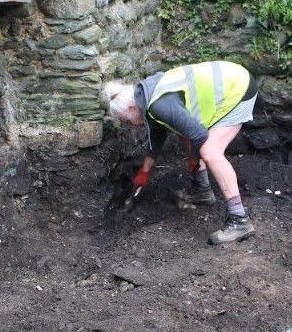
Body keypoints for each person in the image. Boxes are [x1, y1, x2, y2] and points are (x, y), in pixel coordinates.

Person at [102, 60, 258, 245]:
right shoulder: (145, 95)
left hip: (237, 89)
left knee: (209, 151)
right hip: (230, 81)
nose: (130, 126)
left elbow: (199, 134)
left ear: (131, 108)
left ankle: (239, 219)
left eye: (126, 121)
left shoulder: (159, 105)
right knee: (185, 132)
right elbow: (157, 135)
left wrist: (193, 158)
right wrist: (144, 171)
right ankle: (202, 191)